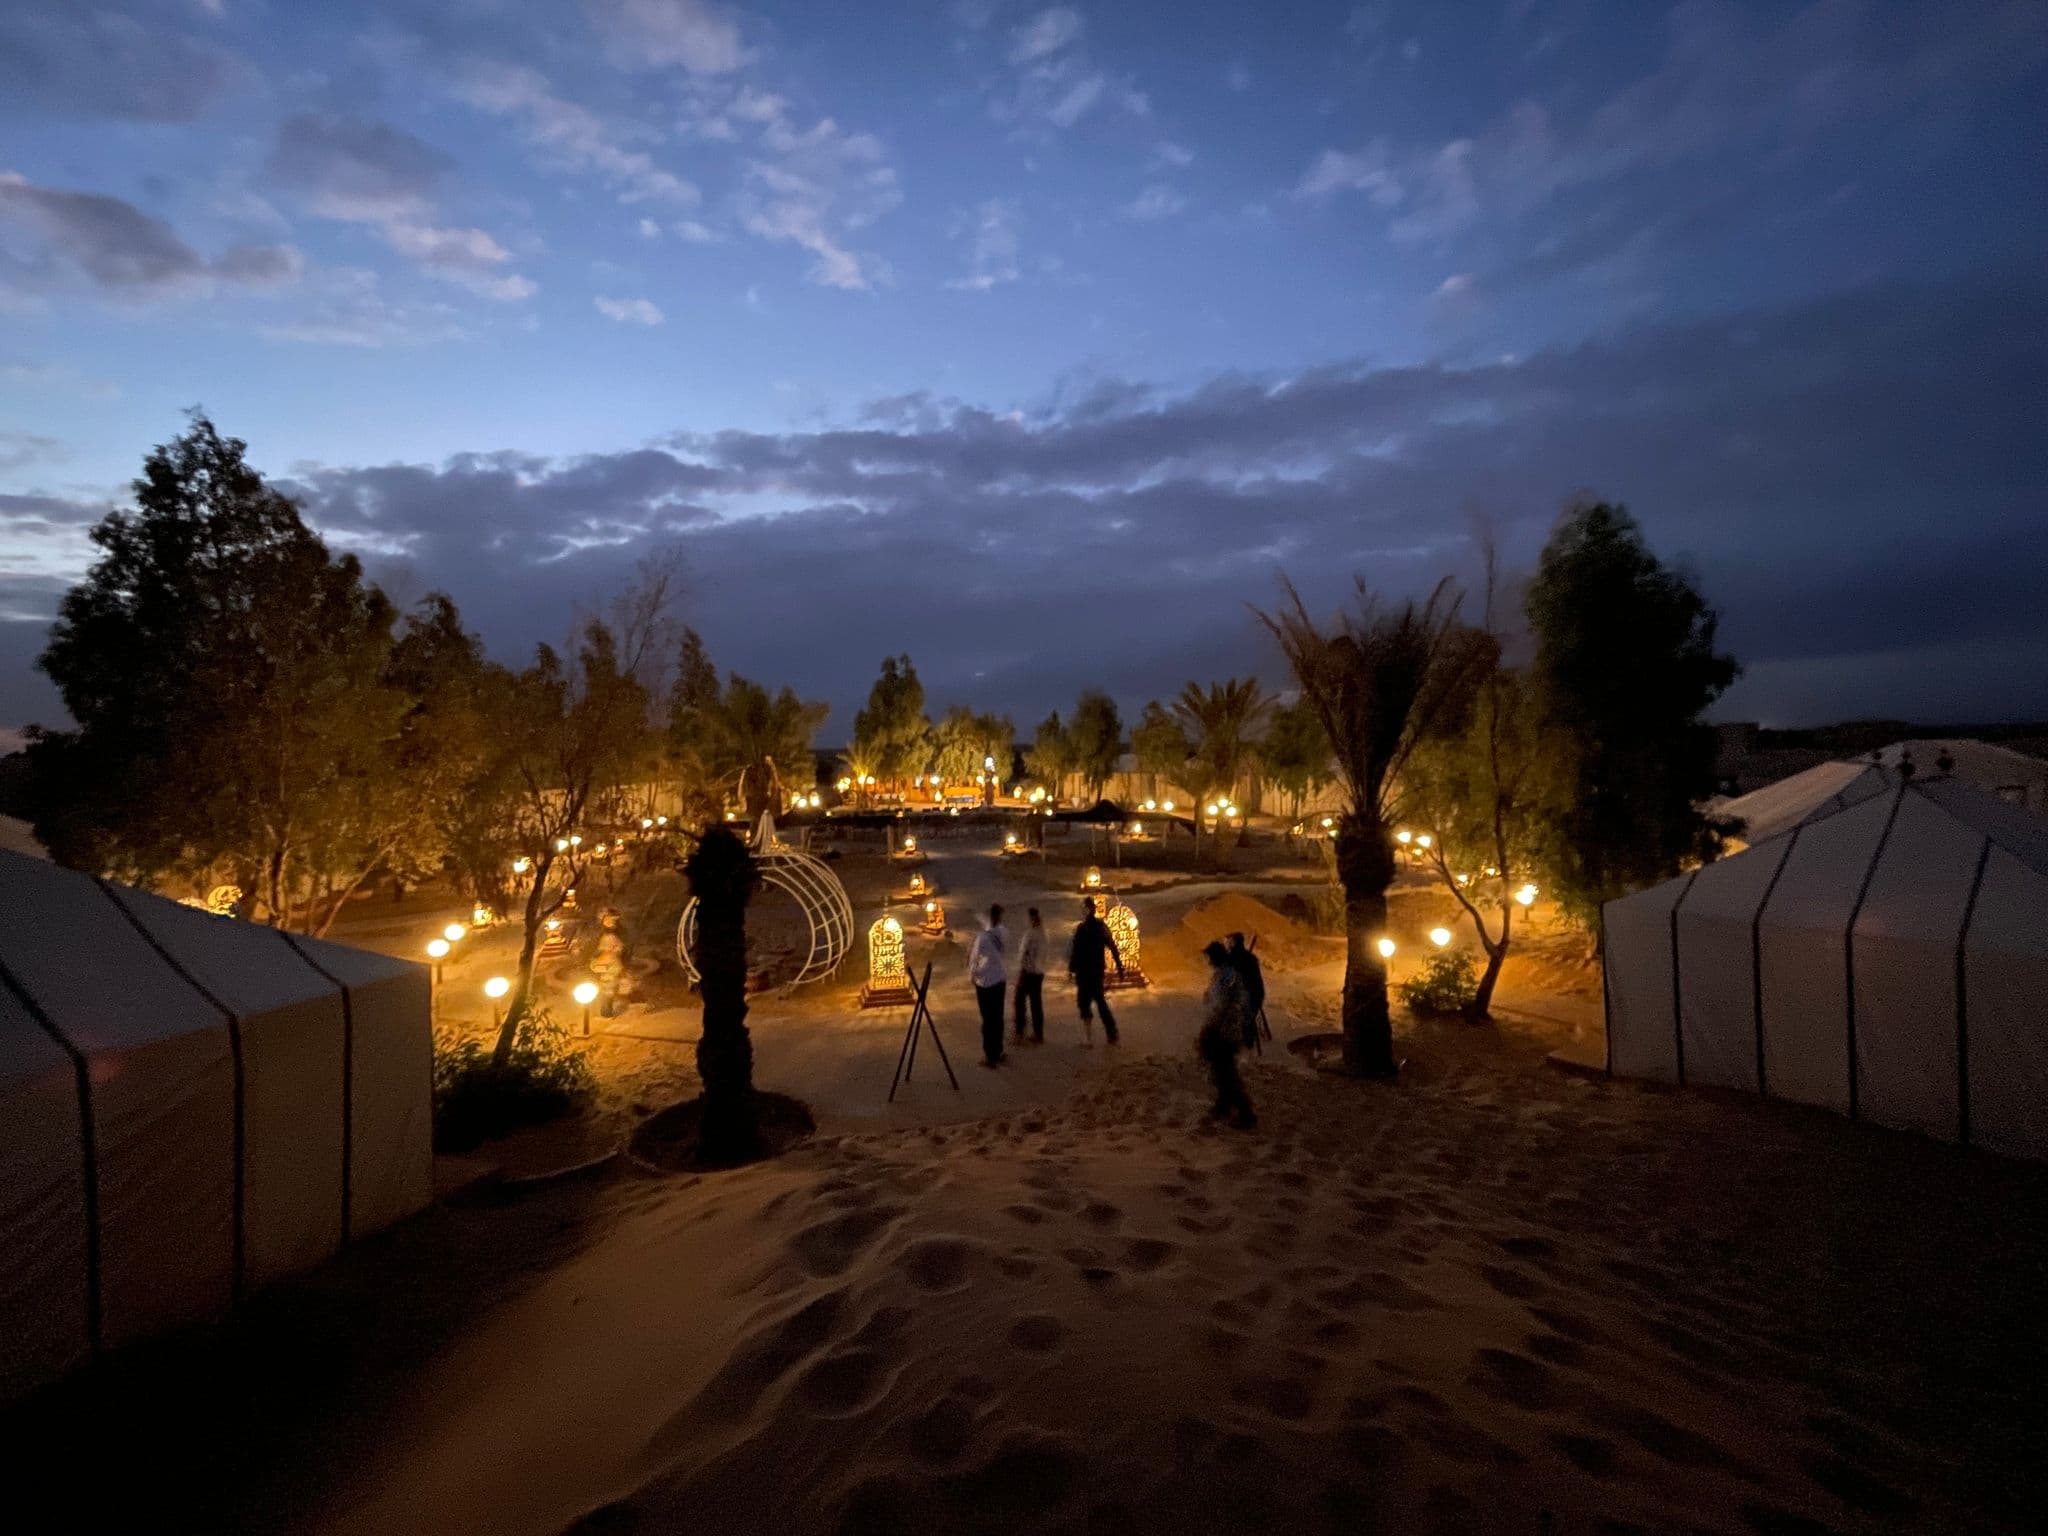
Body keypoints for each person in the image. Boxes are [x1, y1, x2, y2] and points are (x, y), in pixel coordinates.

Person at [1198, 941, 1256, 1127]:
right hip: (1227, 1029)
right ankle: (1223, 1105)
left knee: (1226, 1072)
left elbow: (1221, 1007)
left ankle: (1245, 1113)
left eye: (1209, 957)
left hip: (1225, 1031)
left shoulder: (1226, 977)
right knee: (1220, 1071)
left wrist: (1209, 1029)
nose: (1207, 961)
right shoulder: (1225, 975)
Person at [1068, 897, 1124, 1045]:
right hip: (1095, 971)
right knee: (1099, 1002)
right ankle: (1111, 1033)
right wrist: (1119, 967)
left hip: (1085, 972)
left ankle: (1089, 1038)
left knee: (1084, 1003)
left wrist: (1071, 968)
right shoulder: (1101, 927)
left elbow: (1076, 950)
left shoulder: (1082, 929)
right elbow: (1112, 946)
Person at [969, 903, 1010, 1066]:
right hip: (1000, 979)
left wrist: (974, 974)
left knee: (987, 1020)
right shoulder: (1003, 932)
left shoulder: (983, 938)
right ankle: (998, 1050)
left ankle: (989, 1055)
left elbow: (977, 959)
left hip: (986, 983)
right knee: (998, 1017)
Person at [1013, 906, 1048, 1044]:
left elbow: (1025, 953)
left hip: (1029, 972)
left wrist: (1023, 966)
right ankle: (1038, 1033)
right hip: (1039, 972)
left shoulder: (1031, 935)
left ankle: (1020, 1032)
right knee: (1036, 1003)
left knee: (1020, 1001)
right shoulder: (1043, 933)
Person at [1227, 932, 1266, 1049]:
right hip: (1257, 995)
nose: (1227, 944)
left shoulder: (1233, 958)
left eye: (1229, 941)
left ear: (1233, 943)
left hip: (1249, 997)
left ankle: (1243, 1044)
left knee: (1241, 1016)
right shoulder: (1250, 958)